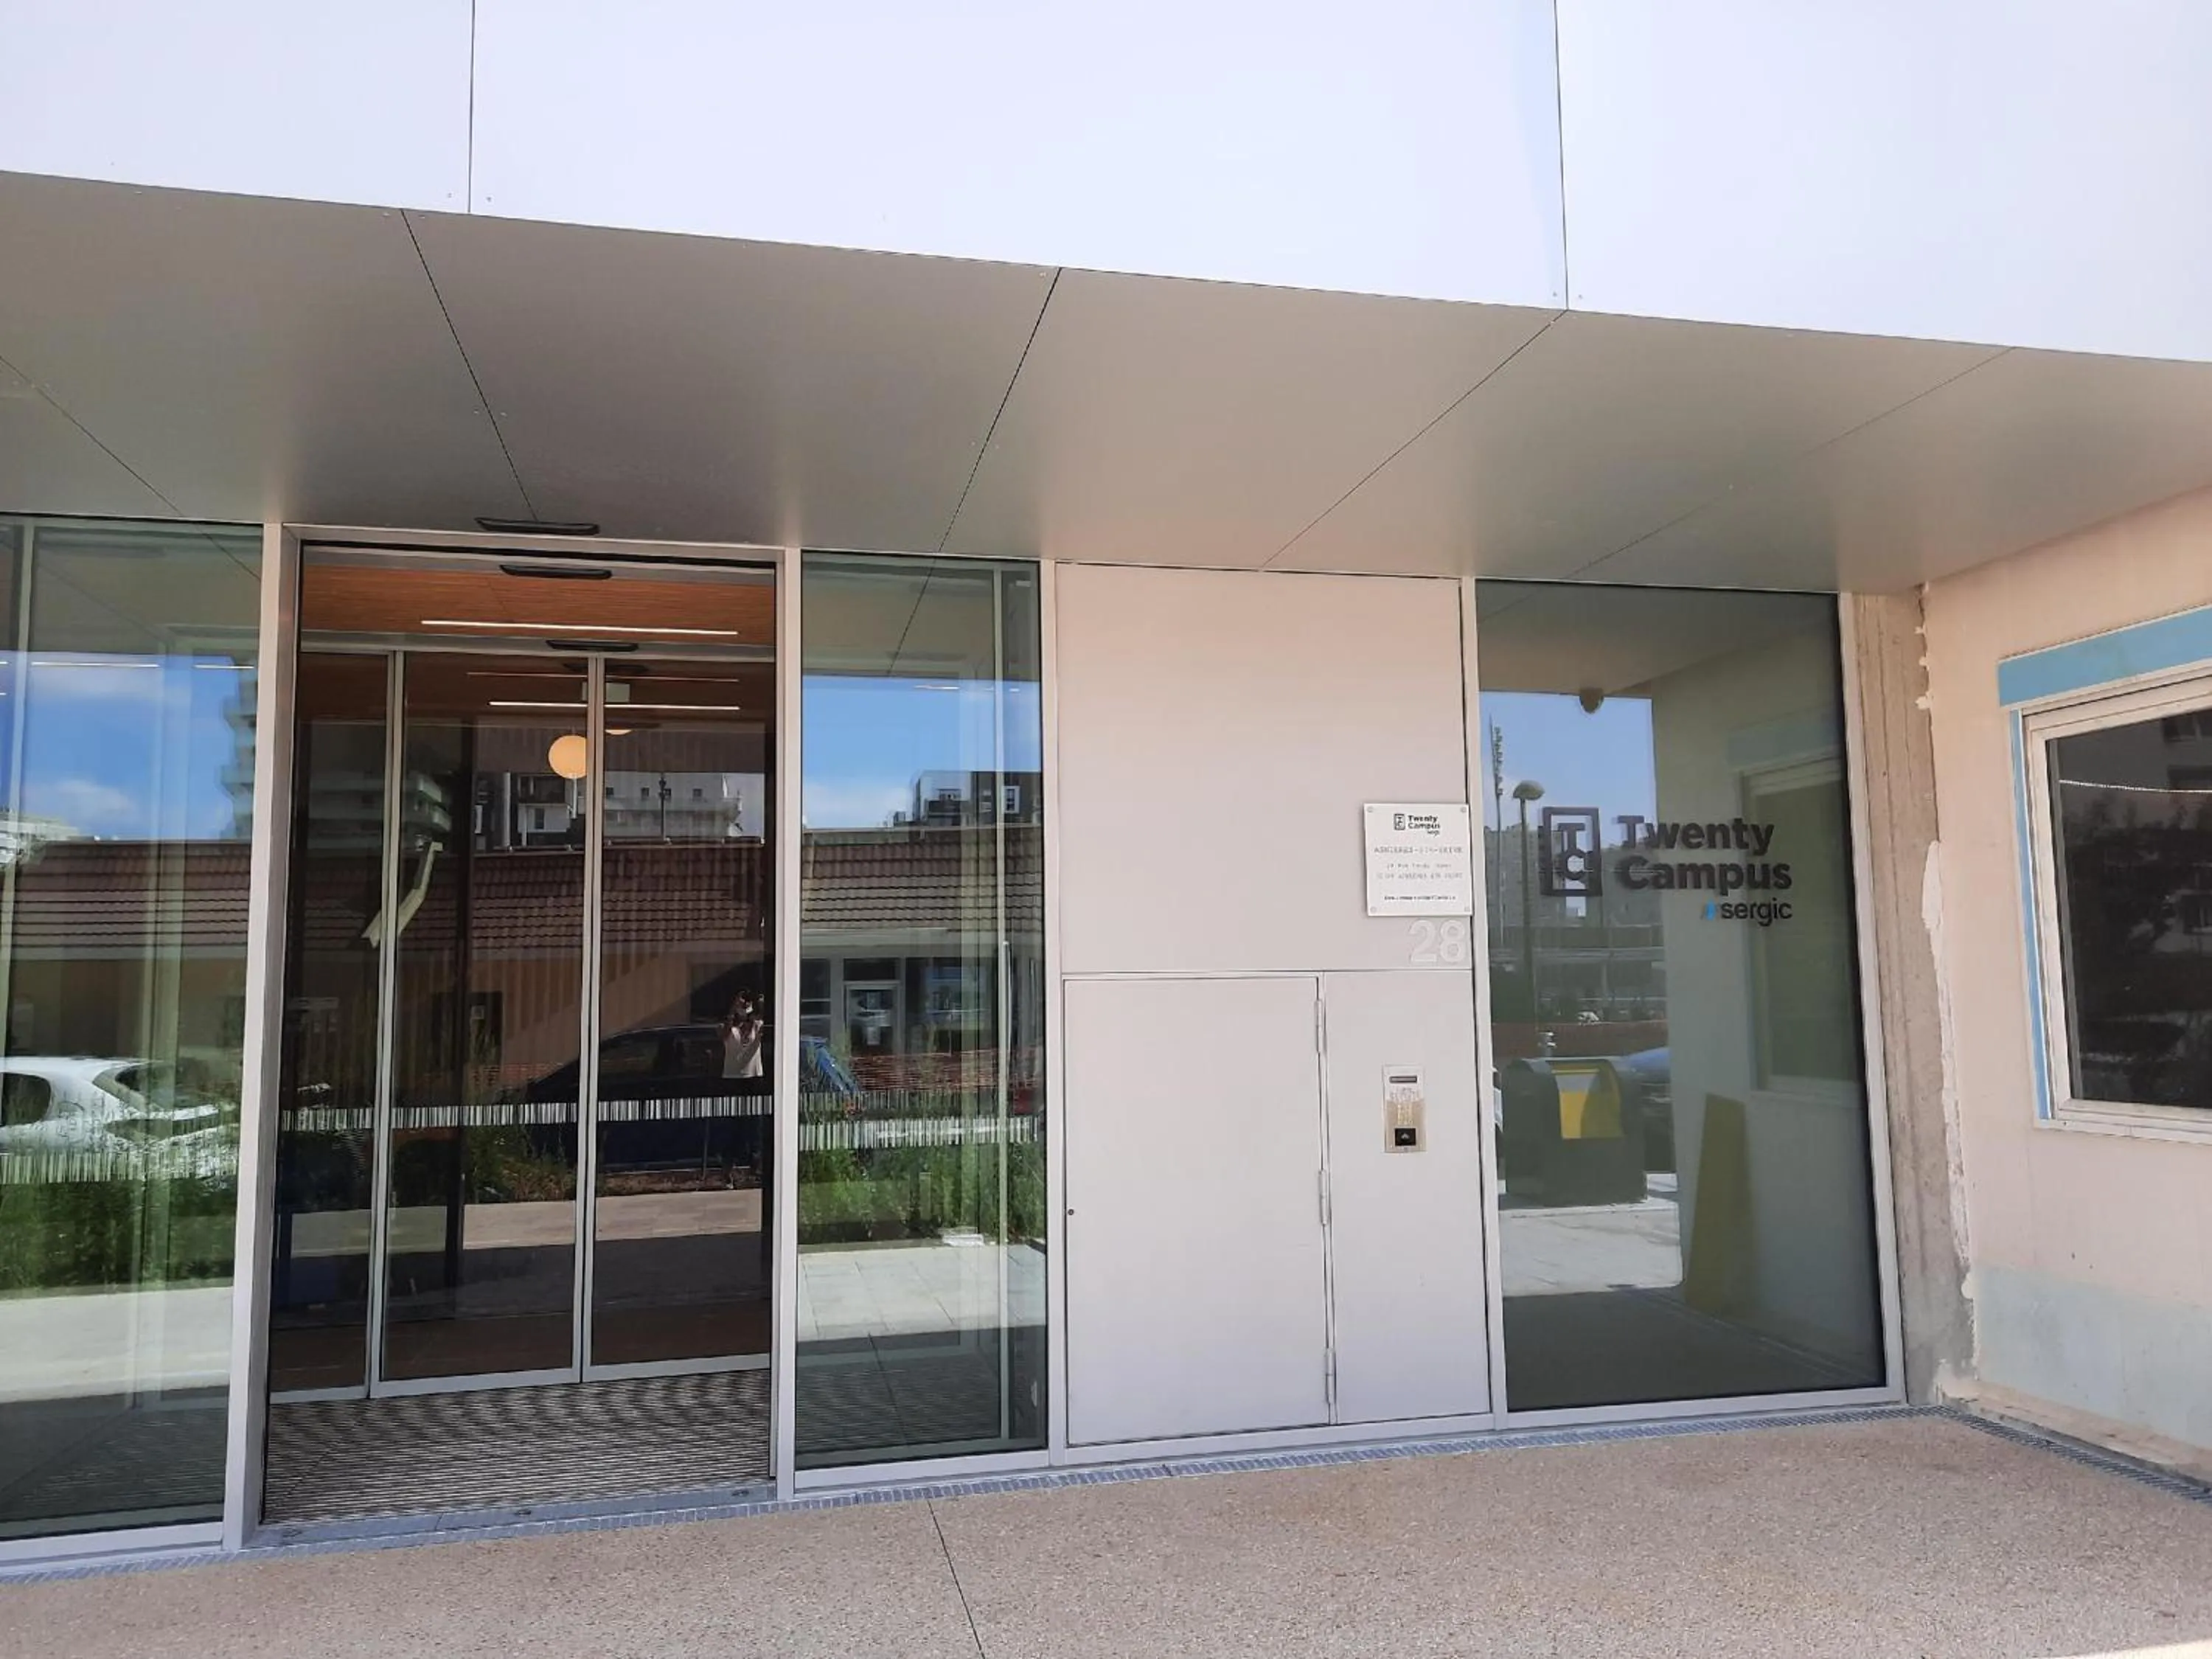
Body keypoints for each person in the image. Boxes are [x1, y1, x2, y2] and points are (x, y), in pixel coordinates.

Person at [722, 992, 765, 1080]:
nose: (745, 1003)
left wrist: (760, 1005)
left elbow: (763, 1019)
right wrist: (734, 1008)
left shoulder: (757, 1026)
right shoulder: (727, 1027)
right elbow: (725, 1032)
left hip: (754, 1076)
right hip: (732, 1076)